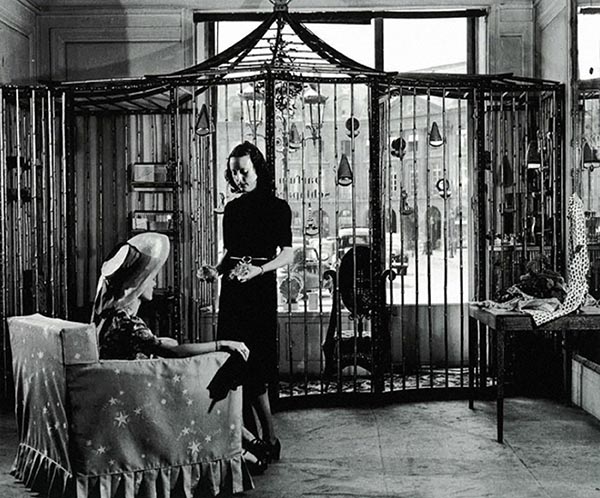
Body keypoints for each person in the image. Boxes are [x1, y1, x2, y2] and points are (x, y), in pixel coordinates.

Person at [91, 232, 268, 474]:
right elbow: (173, 351)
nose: (154, 283)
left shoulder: (113, 316)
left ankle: (248, 443)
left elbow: (151, 346)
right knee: (200, 393)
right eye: (151, 279)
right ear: (138, 284)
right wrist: (222, 344)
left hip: (128, 389)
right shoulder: (128, 323)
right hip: (139, 396)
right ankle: (245, 449)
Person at [200, 141, 294, 463]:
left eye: (244, 171)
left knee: (257, 371)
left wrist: (258, 270)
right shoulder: (233, 209)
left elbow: (288, 254)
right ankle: (243, 443)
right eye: (234, 172)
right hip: (233, 293)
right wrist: (216, 270)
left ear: (257, 170)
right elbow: (230, 255)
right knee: (232, 365)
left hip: (259, 292)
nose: (238, 178)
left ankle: (270, 438)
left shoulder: (278, 208)